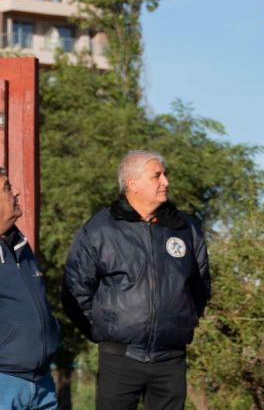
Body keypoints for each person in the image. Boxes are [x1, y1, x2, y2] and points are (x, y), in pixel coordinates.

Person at [63, 151, 211, 410]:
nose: (165, 181)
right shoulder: (100, 229)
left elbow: (200, 285)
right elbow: (75, 290)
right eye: (157, 175)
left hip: (171, 357)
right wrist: (106, 332)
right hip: (120, 359)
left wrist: (178, 323)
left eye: (164, 174)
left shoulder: (184, 227)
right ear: (133, 184)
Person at [0, 168, 60, 409]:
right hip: (5, 382)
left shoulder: (21, 247)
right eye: (6, 187)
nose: (15, 192)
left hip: (41, 381)